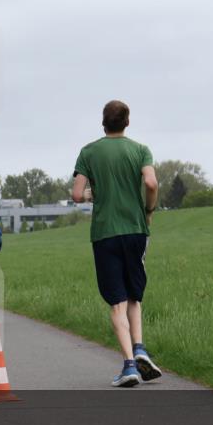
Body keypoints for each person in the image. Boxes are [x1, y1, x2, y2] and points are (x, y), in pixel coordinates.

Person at [72, 99, 162, 388]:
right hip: (136, 229)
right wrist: (148, 210)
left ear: (103, 121)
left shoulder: (89, 152)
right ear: (127, 122)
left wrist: (90, 196)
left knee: (116, 302)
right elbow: (151, 183)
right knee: (135, 295)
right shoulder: (140, 150)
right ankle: (140, 348)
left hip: (105, 232)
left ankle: (129, 366)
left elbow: (76, 194)